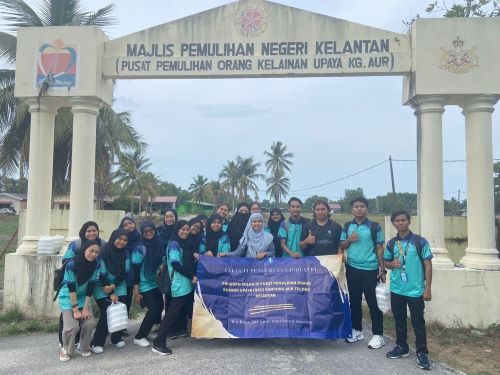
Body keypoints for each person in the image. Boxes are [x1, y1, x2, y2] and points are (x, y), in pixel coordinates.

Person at [384, 210, 433, 371]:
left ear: (409, 221)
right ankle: (402, 347)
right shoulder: (391, 243)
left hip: (415, 290)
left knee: (418, 323)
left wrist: (428, 289)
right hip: (397, 289)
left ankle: (422, 352)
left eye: (403, 220)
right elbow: (386, 262)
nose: (400, 223)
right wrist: (391, 265)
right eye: (397, 221)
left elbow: (428, 265)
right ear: (393, 223)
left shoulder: (420, 242)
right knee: (399, 321)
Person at [340, 197, 386, 349]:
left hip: (370, 269)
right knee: (354, 301)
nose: (359, 209)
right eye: (356, 206)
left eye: (362, 206)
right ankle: (357, 330)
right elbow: (342, 244)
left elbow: (379, 247)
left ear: (366, 209)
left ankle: (378, 334)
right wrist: (350, 240)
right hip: (352, 268)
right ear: (352, 209)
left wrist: (382, 268)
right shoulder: (347, 226)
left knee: (373, 302)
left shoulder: (374, 226)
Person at [152, 220, 198, 356]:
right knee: (172, 314)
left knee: (177, 312)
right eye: (182, 229)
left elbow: (185, 259)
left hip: (185, 284)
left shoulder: (183, 243)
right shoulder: (173, 244)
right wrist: (191, 276)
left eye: (187, 230)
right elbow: (176, 264)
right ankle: (158, 343)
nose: (185, 232)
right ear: (177, 229)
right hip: (178, 284)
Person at [59, 221, 105, 346]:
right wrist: (82, 262)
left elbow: (101, 264)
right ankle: (64, 342)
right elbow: (66, 260)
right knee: (68, 317)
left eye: (94, 230)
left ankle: (81, 342)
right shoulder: (76, 244)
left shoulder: (101, 244)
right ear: (83, 232)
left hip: (89, 282)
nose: (92, 233)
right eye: (88, 231)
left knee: (87, 318)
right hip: (73, 282)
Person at [58, 240, 100, 362]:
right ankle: (66, 349)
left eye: (96, 252)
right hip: (68, 297)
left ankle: (83, 346)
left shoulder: (96, 264)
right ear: (84, 250)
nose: (93, 254)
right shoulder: (72, 264)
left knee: (90, 322)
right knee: (72, 326)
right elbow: (71, 287)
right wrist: (75, 309)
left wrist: (86, 308)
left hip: (83, 297)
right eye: (91, 251)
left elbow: (91, 286)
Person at [92, 229, 130, 354]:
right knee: (106, 312)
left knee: (121, 309)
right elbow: (101, 274)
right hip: (101, 285)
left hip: (118, 284)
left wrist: (113, 286)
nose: (122, 242)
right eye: (119, 239)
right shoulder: (103, 251)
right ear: (113, 237)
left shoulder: (125, 253)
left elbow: (125, 272)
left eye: (125, 240)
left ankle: (116, 338)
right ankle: (97, 342)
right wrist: (110, 292)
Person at [131, 221, 164, 348]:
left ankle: (147, 330)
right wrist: (136, 292)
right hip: (143, 284)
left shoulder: (158, 243)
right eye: (146, 232)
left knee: (160, 306)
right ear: (142, 233)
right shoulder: (140, 248)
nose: (149, 233)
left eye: (151, 231)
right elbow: (135, 271)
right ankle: (139, 336)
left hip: (154, 282)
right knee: (154, 308)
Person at [118, 217, 141, 321]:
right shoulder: (119, 239)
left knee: (127, 300)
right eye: (125, 225)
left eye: (130, 223)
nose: (129, 226)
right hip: (119, 275)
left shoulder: (139, 238)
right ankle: (113, 326)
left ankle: (123, 326)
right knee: (118, 301)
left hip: (133, 275)